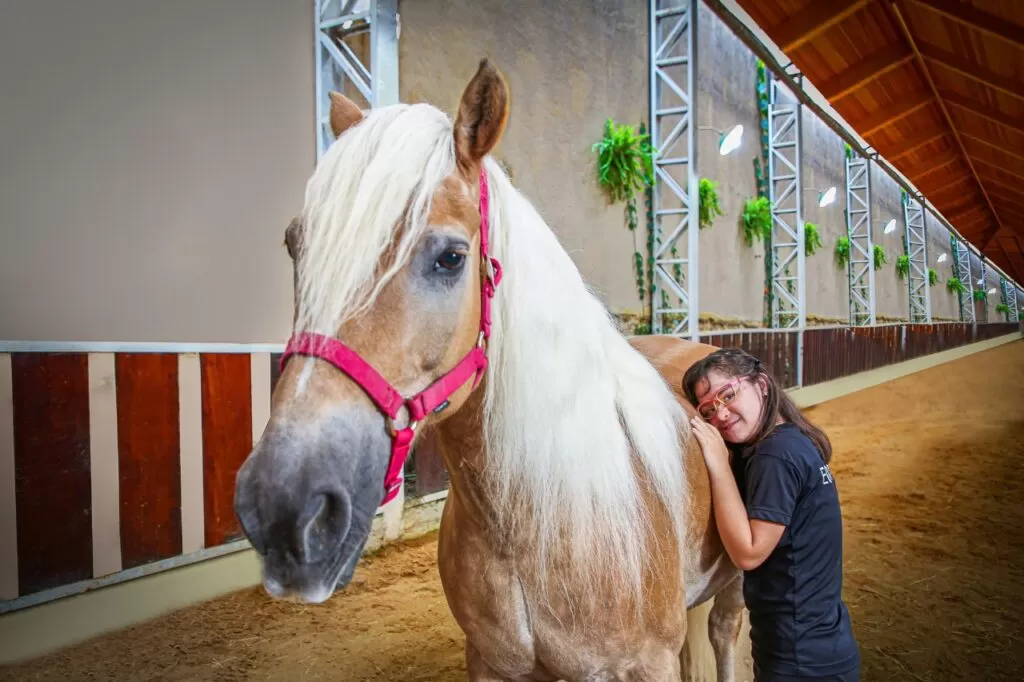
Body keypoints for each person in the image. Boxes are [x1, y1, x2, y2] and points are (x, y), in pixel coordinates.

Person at [682, 348, 861, 682]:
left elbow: (749, 553)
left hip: (800, 660)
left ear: (761, 384)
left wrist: (719, 463)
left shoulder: (775, 456)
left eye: (728, 395)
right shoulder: (792, 440)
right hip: (819, 646)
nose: (719, 414)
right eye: (708, 410)